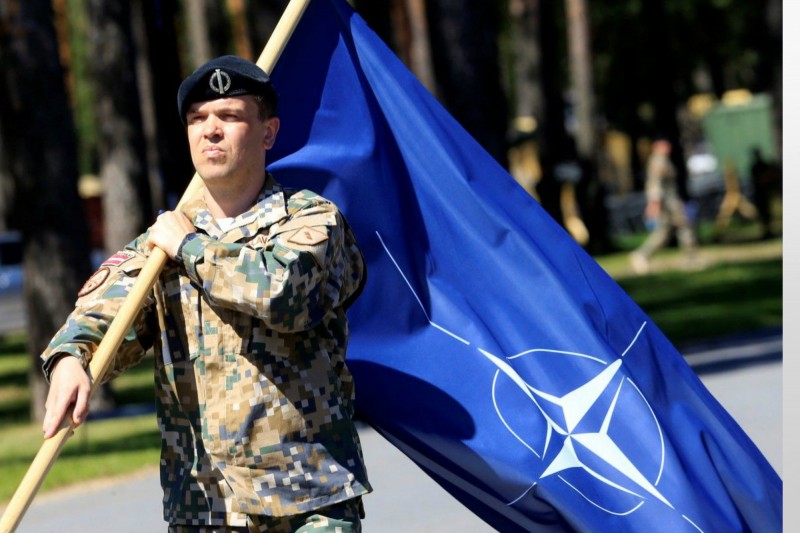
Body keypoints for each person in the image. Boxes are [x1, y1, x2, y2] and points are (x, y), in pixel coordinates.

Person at [40, 55, 371, 533]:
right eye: (198, 119)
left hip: (307, 499)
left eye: (230, 116)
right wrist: (70, 357)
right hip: (206, 507)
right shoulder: (159, 245)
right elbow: (105, 312)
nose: (210, 130)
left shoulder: (310, 221)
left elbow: (283, 294)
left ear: (267, 133)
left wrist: (190, 248)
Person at [630, 139, 698, 274]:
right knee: (683, 225)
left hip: (668, 199)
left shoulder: (661, 160)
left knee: (665, 231)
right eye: (663, 145)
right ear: (656, 147)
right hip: (667, 201)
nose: (668, 147)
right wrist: (654, 203)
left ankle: (642, 255)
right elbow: (655, 183)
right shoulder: (658, 161)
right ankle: (690, 258)